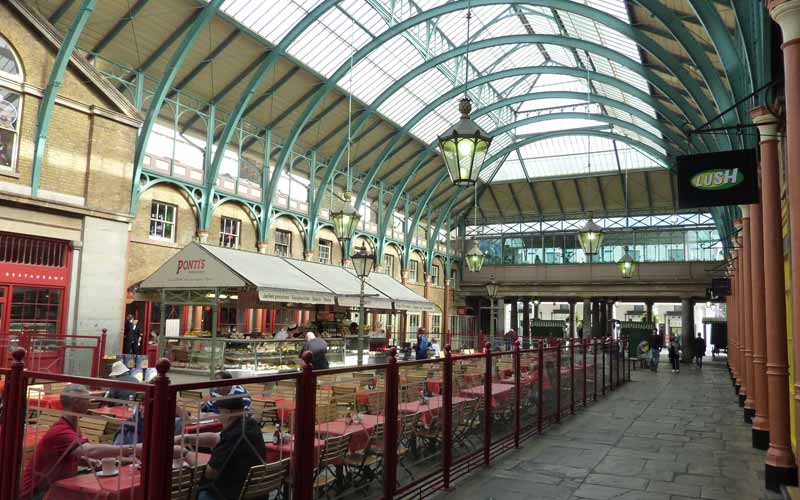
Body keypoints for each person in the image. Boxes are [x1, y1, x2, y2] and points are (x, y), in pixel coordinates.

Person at [19, 384, 158, 499]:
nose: (90, 402)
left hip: (58, 484)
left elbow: (71, 455)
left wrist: (90, 462)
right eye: (87, 399)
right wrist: (131, 448)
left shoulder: (72, 426)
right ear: (76, 403)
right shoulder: (61, 430)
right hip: (38, 493)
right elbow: (90, 450)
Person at [177, 396, 267, 500]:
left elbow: (209, 473)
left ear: (228, 413)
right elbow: (216, 438)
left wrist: (184, 453)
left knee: (189, 492)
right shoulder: (250, 424)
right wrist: (186, 438)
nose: (218, 417)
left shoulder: (232, 435)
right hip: (255, 492)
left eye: (220, 413)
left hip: (230, 494)